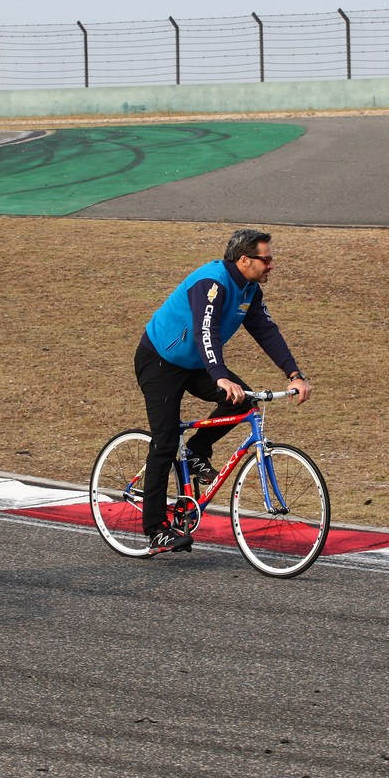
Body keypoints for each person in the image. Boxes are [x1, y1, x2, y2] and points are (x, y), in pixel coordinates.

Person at [135, 228, 312, 554]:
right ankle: (155, 528)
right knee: (164, 442)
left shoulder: (249, 289)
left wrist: (295, 374)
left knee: (243, 401)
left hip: (196, 363)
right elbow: (207, 331)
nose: (271, 265)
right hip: (160, 361)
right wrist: (219, 376)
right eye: (266, 259)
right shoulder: (212, 283)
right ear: (244, 260)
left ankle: (198, 452)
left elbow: (266, 331)